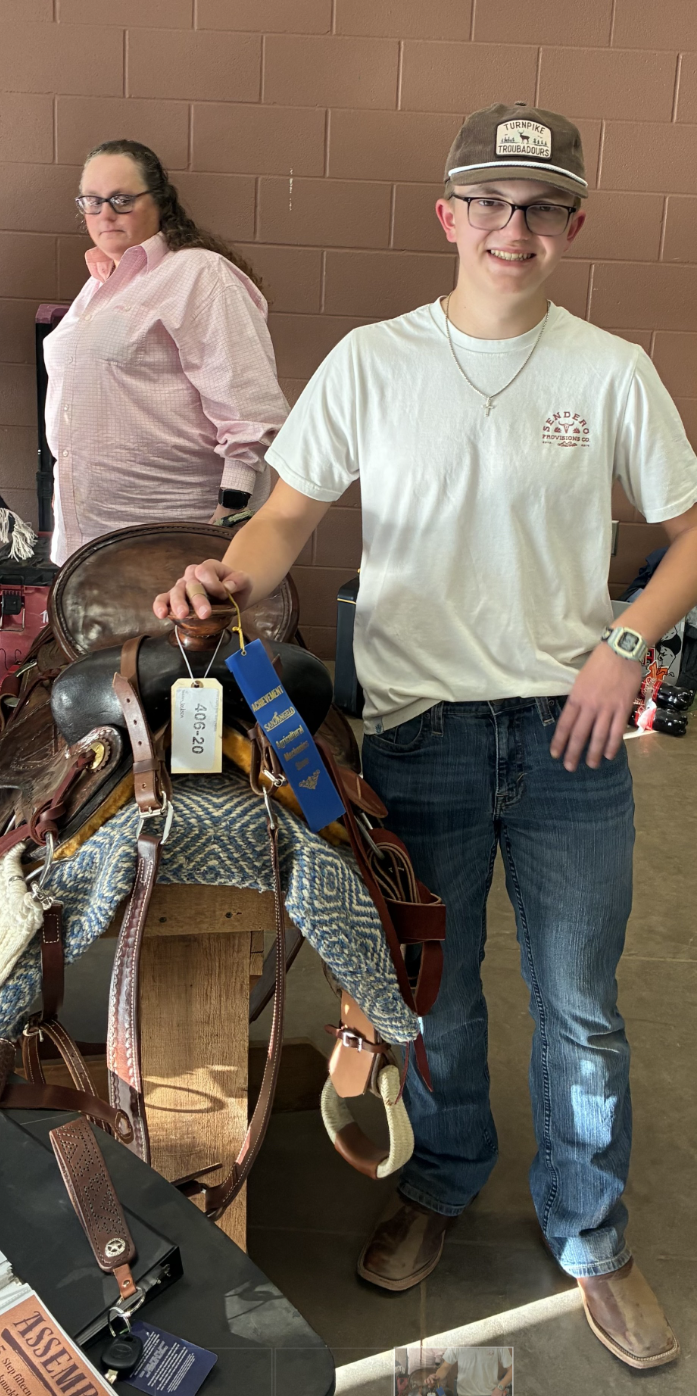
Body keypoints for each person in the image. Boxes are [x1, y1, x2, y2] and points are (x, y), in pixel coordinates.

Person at [151, 103, 697, 1370]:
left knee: (579, 1007)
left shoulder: (610, 371)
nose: (513, 227)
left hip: (568, 738)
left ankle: (592, 1237)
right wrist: (227, 574)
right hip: (414, 729)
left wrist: (626, 646)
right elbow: (287, 511)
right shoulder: (370, 360)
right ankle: (442, 1184)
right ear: (450, 215)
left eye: (541, 204)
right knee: (429, 998)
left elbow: (688, 533)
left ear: (569, 225)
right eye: (490, 202)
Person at [44, 139, 287, 565]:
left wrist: (226, 522)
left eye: (121, 199)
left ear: (158, 201)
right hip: (90, 534)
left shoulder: (199, 274)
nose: (104, 213)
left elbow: (252, 416)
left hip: (175, 536)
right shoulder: (99, 284)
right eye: (92, 201)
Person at [426, 1346, 513, 1396]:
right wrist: (436, 1377)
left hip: (490, 1393)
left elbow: (512, 1370)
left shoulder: (498, 1343)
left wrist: (500, 1387)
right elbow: (445, 1367)